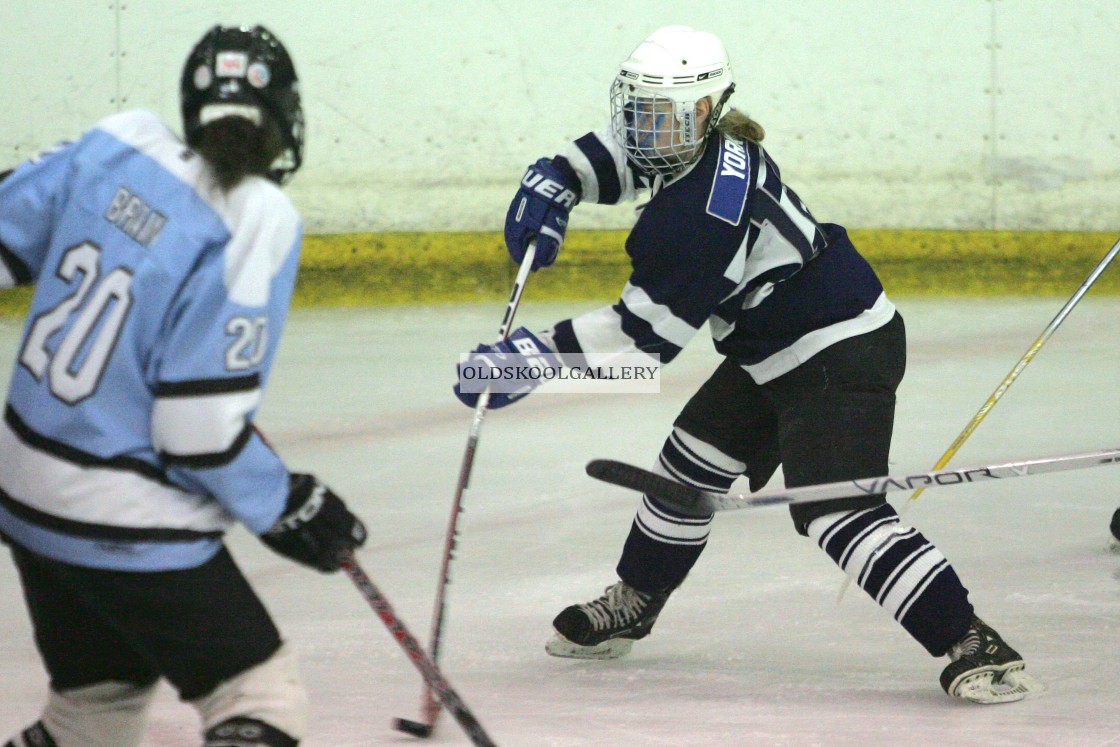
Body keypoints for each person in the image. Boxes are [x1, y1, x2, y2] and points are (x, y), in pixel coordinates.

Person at [456, 25, 1041, 704]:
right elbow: (622, 153)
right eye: (638, 106)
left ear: (702, 112)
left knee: (836, 512)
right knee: (687, 464)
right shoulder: (695, 145)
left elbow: (644, 336)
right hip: (775, 344)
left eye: (659, 112)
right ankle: (639, 598)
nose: (643, 125)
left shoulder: (702, 215)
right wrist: (556, 178)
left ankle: (970, 639)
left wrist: (532, 357)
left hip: (837, 352)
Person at [0, 25, 366, 747]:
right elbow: (194, 431)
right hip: (121, 514)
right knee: (260, 699)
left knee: (93, 711)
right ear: (286, 116)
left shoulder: (120, 140)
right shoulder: (257, 214)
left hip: (23, 492)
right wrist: (283, 501)